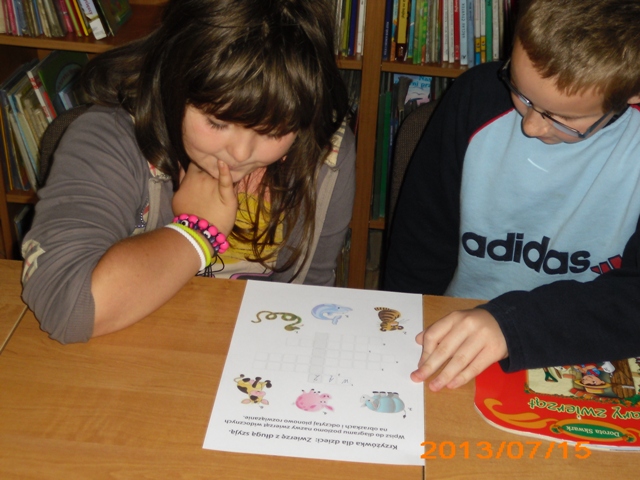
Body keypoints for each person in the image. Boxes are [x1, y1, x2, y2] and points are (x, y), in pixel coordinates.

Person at [21, 0, 356, 344]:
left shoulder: (325, 155)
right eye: (217, 122)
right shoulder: (109, 138)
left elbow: (310, 294)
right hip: (133, 343)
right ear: (172, 84)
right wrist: (197, 231)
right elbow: (67, 305)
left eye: (273, 130)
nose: (241, 153)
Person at [384, 0, 640, 392]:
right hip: (452, 335)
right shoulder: (475, 98)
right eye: (520, 92)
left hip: (589, 344)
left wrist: (511, 325)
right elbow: (418, 249)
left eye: (564, 119)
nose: (531, 126)